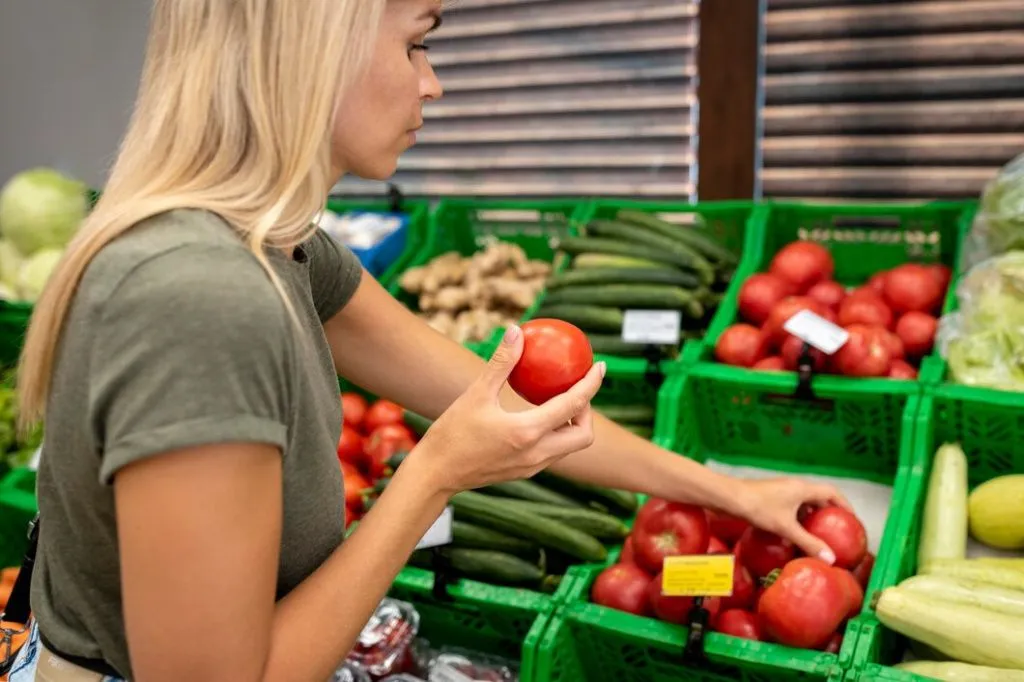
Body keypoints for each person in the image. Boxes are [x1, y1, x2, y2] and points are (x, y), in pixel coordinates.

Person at [6, 1, 848, 680]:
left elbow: (507, 397)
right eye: (415, 45)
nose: (433, 84)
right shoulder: (198, 296)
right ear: (314, 44)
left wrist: (730, 495)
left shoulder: (279, 246)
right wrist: (436, 472)